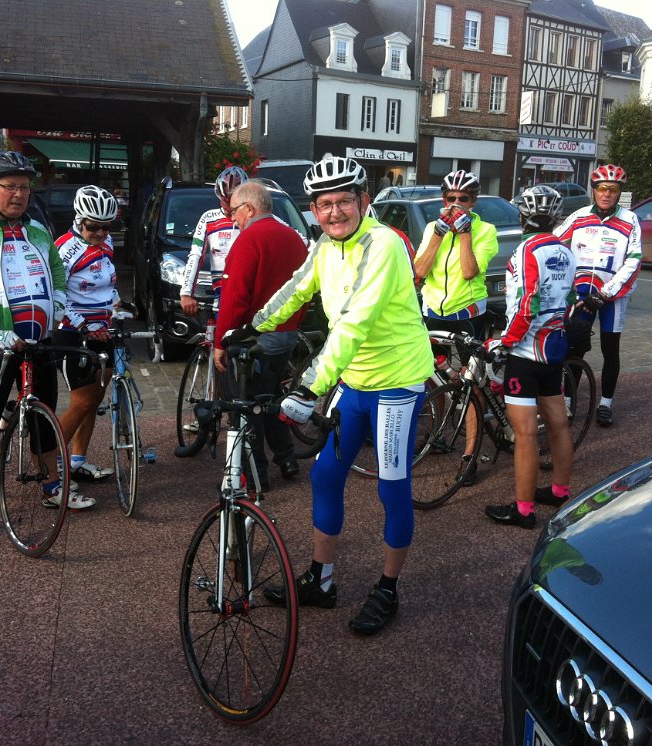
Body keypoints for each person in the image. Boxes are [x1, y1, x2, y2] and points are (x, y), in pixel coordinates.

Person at [236, 155, 433, 635]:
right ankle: (321, 580)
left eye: (344, 201)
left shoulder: (384, 245)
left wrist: (310, 386)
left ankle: (388, 588)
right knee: (325, 476)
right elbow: (297, 288)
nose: (334, 212)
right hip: (355, 380)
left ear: (363, 201)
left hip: (397, 382)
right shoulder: (325, 246)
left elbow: (353, 324)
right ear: (314, 210)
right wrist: (252, 326)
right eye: (325, 205)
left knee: (391, 486)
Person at [0, 152, 94, 544]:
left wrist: (58, 303)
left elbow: (57, 273)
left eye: (25, 187)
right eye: (10, 186)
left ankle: (52, 487)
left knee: (44, 421)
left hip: (38, 343)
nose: (19, 194)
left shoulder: (38, 231)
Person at [484, 186, 576, 529]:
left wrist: (504, 342)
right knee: (559, 424)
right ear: (555, 217)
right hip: (554, 347)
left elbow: (527, 304)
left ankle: (523, 511)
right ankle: (560, 490)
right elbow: (569, 300)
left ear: (522, 216)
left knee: (525, 435)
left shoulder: (526, 250)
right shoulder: (565, 249)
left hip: (525, 353)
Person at [212, 181, 308, 487]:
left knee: (244, 407)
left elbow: (234, 297)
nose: (232, 219)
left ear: (249, 208)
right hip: (287, 334)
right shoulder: (293, 237)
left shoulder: (249, 239)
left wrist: (220, 341)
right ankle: (286, 457)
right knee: (271, 397)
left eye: (234, 212)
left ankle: (255, 475)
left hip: (254, 339)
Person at [554, 164, 642, 427]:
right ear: (594, 190)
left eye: (613, 189)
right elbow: (553, 241)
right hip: (581, 294)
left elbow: (634, 260)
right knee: (575, 346)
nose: (607, 194)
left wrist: (605, 294)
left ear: (619, 192)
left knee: (609, 349)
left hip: (612, 296)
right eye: (602, 188)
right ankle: (568, 401)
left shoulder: (630, 220)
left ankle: (605, 403)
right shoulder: (579, 216)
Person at [55, 185, 132, 481]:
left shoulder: (106, 243)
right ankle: (51, 465)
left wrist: (118, 304)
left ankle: (77, 460)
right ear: (79, 220)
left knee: (95, 398)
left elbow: (107, 284)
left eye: (106, 227)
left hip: (103, 330)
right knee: (82, 401)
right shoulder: (65, 248)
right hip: (73, 333)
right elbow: (56, 297)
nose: (100, 233)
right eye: (93, 227)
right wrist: (83, 326)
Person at [414, 169, 499, 341]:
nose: (456, 203)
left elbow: (468, 272)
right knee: (431, 358)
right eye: (451, 198)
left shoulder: (486, 230)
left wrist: (465, 232)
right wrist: (438, 234)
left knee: (470, 359)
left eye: (463, 199)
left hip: (468, 309)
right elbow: (420, 271)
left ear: (473, 201)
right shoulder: (432, 228)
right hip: (432, 308)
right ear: (444, 200)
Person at [179, 165, 248, 317]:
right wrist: (186, 293)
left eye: (235, 204)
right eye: (225, 202)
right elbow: (196, 255)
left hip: (250, 294)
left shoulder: (256, 217)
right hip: (222, 295)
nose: (230, 209)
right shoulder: (209, 218)